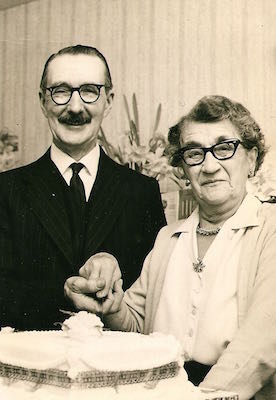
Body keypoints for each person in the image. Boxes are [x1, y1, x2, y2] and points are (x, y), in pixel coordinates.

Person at [65, 95, 276, 400]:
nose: (210, 165)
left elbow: (263, 341)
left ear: (252, 158)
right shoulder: (169, 238)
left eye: (224, 148)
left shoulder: (270, 228)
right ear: (182, 169)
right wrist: (110, 305)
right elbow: (137, 324)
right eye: (194, 153)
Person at [0, 44, 166, 331]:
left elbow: (155, 299)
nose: (75, 108)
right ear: (43, 101)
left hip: (117, 369)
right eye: (61, 91)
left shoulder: (142, 192)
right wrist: (62, 293)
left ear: (109, 100)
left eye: (89, 90)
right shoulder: (6, 190)